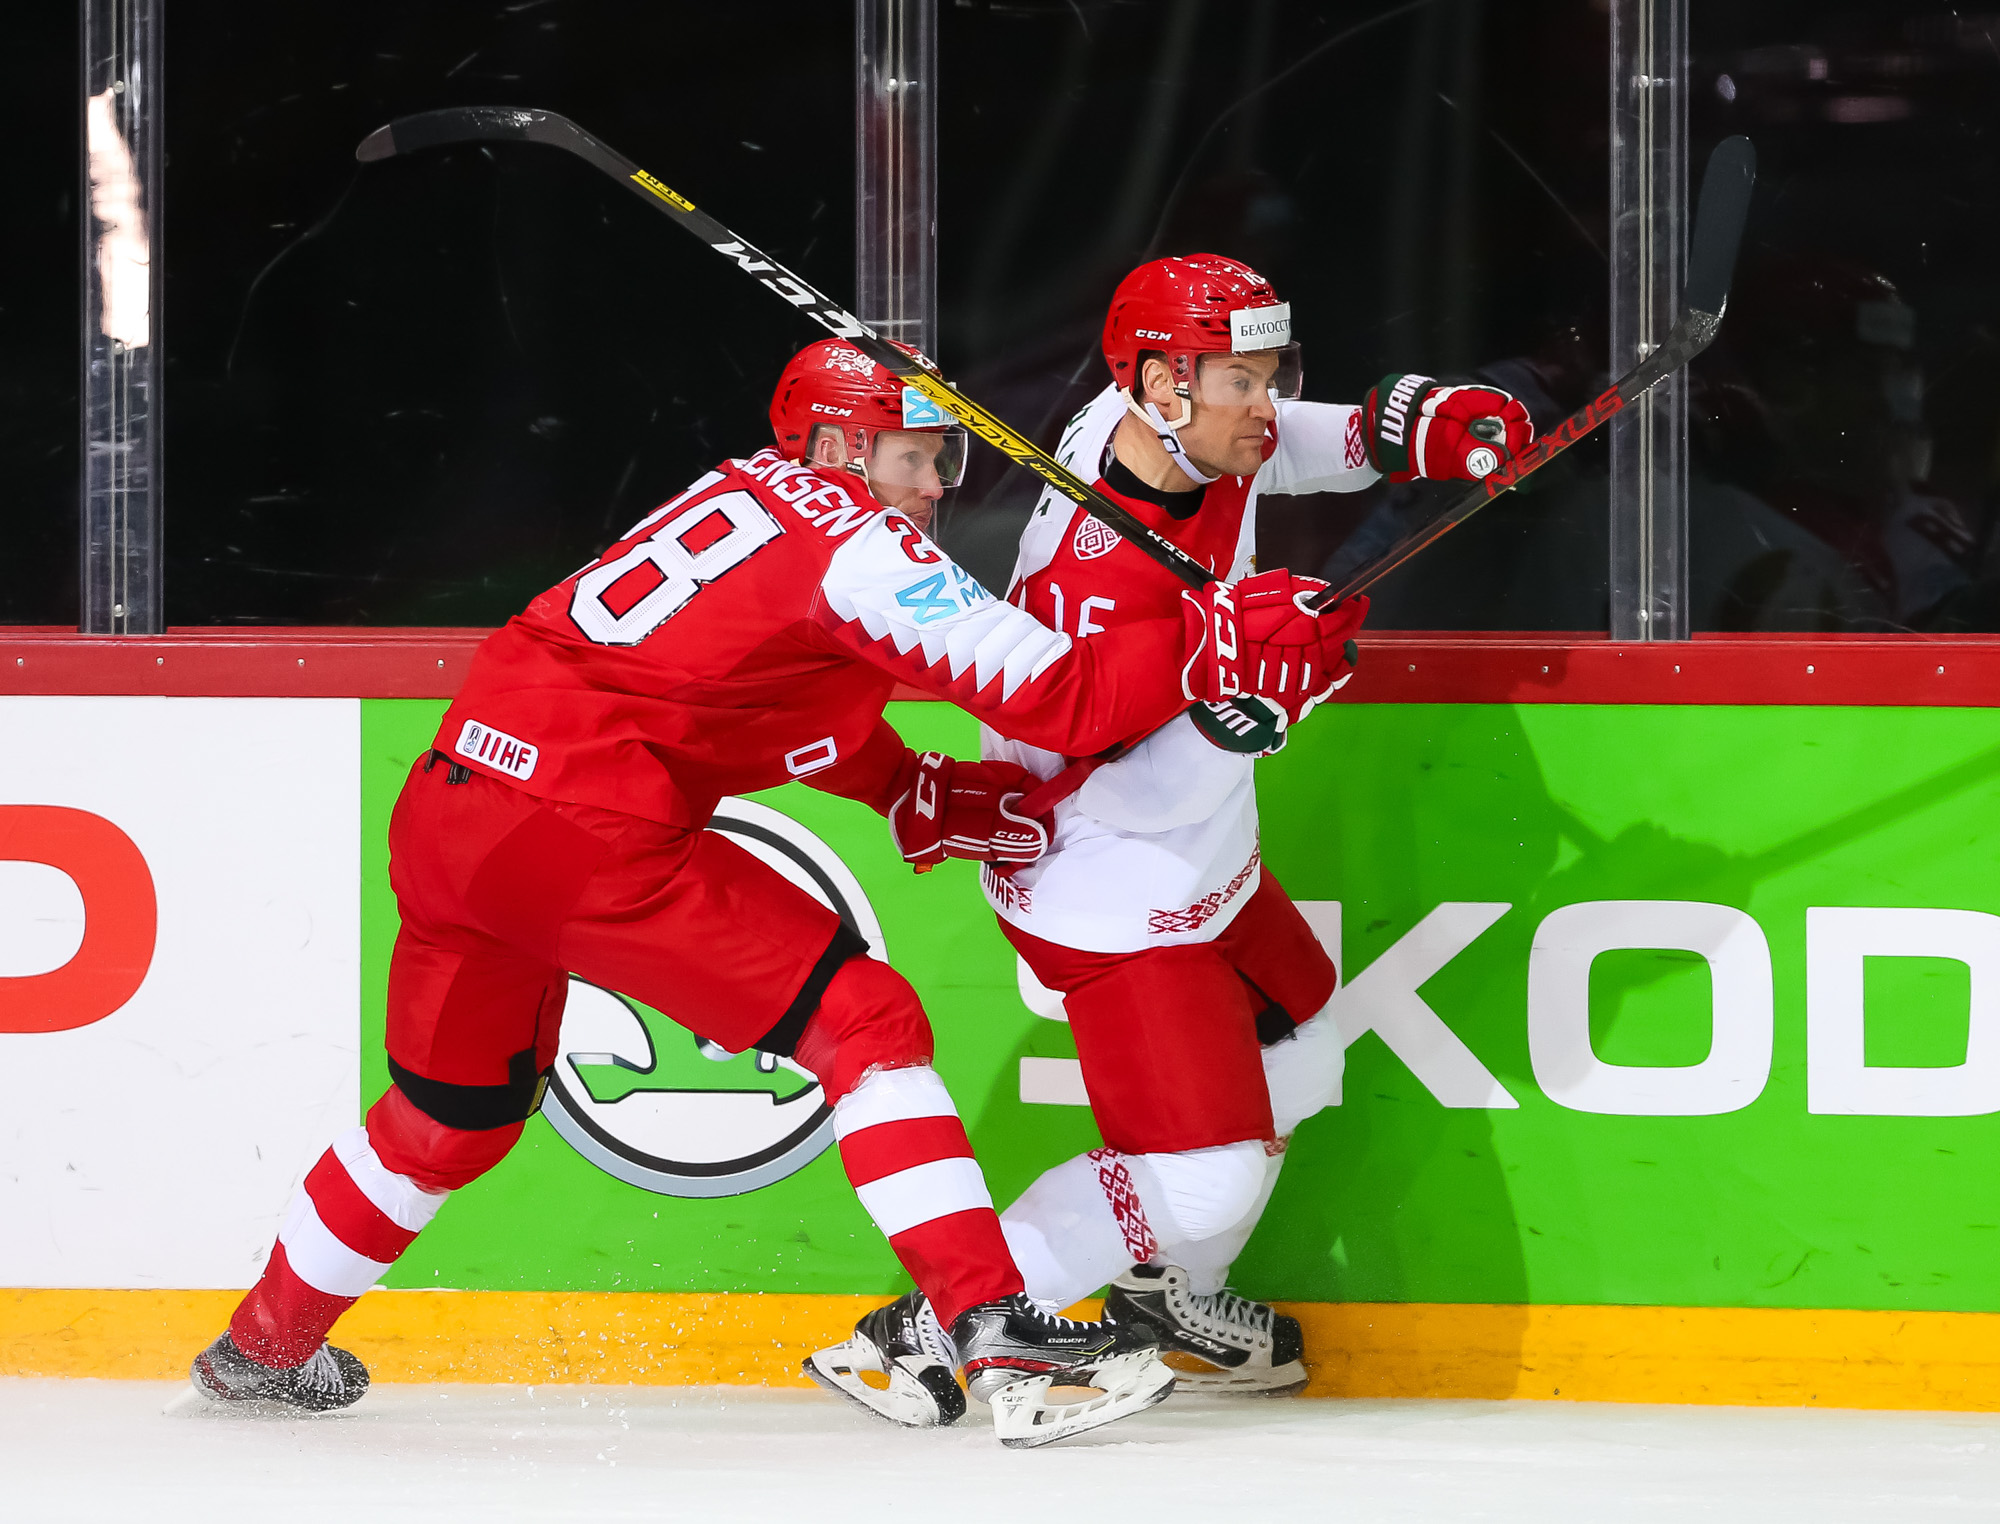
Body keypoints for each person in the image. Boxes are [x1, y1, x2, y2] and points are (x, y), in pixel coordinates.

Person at [188, 336, 1361, 1447]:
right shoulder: (857, 546)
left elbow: (766, 701)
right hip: (590, 836)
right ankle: (999, 1342)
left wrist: (912, 787)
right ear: (845, 453)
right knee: (867, 1022)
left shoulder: (732, 494)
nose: (935, 487)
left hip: (454, 816)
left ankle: (266, 1345)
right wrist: (1214, 640)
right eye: (916, 455)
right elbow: (1058, 701)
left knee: (450, 1118)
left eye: (943, 459)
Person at [811, 254, 1531, 1412]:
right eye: (1241, 380)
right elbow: (1122, 796)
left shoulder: (1179, 428)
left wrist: (1401, 433)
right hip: (1111, 882)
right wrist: (1258, 707)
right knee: (1200, 1182)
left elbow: (1278, 448)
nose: (1265, 402)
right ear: (1157, 386)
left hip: (1201, 859)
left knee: (1302, 1050)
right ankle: (924, 1334)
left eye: (1267, 373)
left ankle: (1167, 1304)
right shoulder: (1096, 584)